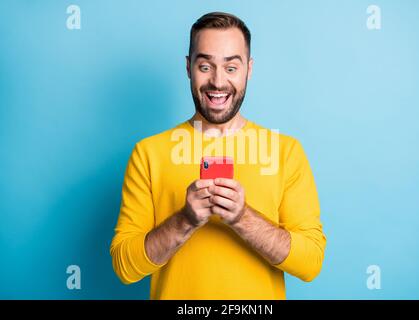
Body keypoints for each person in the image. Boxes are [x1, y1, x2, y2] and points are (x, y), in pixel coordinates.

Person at [110, 11, 326, 300]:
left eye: (231, 67)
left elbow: (310, 263)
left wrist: (241, 217)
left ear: (249, 69)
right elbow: (125, 267)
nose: (217, 81)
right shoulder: (149, 154)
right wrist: (186, 219)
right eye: (205, 65)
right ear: (188, 68)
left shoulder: (286, 152)